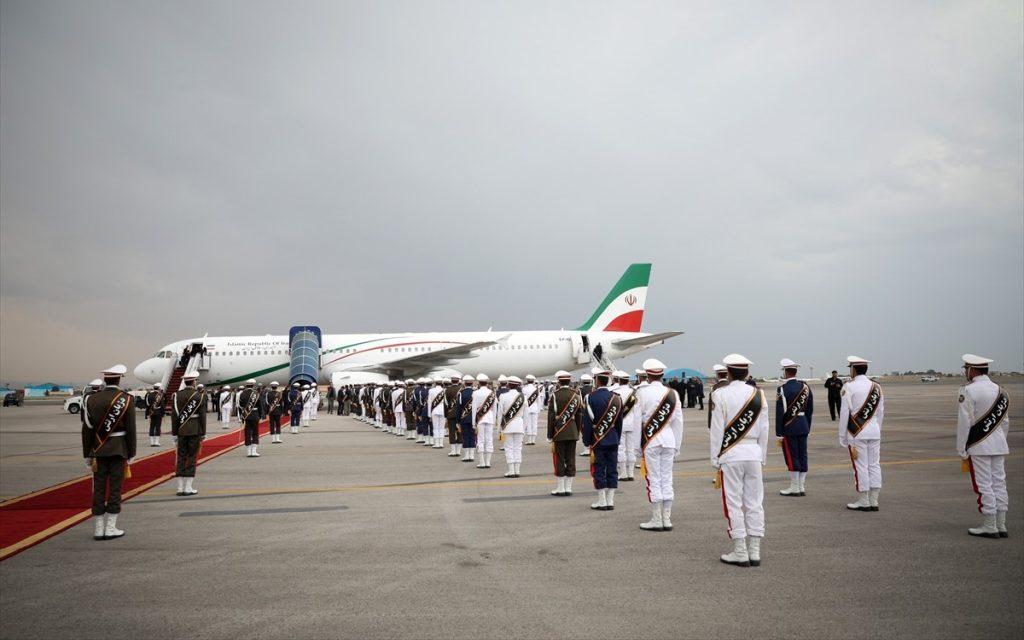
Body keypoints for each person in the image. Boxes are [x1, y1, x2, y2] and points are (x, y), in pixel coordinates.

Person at [711, 354, 769, 567]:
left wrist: (715, 458)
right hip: (753, 452)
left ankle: (740, 551)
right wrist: (761, 454)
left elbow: (717, 430)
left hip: (731, 453)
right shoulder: (759, 394)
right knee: (755, 502)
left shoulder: (720, 395)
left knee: (733, 503)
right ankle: (755, 550)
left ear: (728, 372)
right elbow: (765, 428)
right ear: (746, 372)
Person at [957, 354, 1011, 538]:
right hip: (999, 444)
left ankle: (990, 525)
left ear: (972, 370)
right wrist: (999, 440)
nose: (965, 372)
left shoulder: (968, 390)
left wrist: (961, 449)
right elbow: (1004, 422)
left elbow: (964, 423)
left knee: (984, 485)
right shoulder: (1001, 390)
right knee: (999, 483)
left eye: (966, 369)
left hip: (979, 445)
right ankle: (1001, 525)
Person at [82, 364, 136, 540]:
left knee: (98, 488)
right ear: (119, 379)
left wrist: (87, 454)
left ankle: (98, 528)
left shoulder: (91, 400)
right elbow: (131, 429)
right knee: (115, 488)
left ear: (105, 379)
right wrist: (132, 452)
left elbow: (87, 430)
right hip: (119, 449)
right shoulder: (126, 399)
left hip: (98, 449)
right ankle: (110, 527)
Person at [637, 359, 683, 532]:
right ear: (662, 375)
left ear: (647, 375)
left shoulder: (642, 393)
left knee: (654, 479)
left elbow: (636, 422)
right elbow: (678, 422)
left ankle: (657, 519)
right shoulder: (673, 394)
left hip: (651, 440)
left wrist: (637, 447)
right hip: (669, 440)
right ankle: (667, 519)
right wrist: (677, 444)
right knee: (667, 478)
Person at [839, 356, 884, 512]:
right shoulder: (876, 387)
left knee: (861, 466)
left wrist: (842, 436)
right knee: (874, 465)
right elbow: (880, 413)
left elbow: (844, 413)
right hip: (874, 432)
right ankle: (874, 500)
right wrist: (877, 428)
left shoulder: (849, 387)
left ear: (853, 369)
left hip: (857, 433)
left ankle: (864, 500)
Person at [582, 369, 623, 511]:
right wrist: (617, 436)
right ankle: (610, 500)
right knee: (612, 468)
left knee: (599, 469)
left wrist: (587, 441)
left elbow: (587, 422)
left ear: (597, 380)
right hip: (613, 438)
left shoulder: (590, 398)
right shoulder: (616, 398)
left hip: (597, 438)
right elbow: (619, 423)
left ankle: (602, 501)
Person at [775, 359, 813, 496]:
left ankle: (794, 486)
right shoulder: (806, 387)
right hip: (803, 425)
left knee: (792, 456)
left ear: (785, 372)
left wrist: (779, 432)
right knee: (803, 455)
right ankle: (801, 486)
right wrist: (808, 427)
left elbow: (780, 413)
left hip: (789, 427)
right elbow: (809, 410)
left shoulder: (782, 389)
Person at [548, 371, 582, 496]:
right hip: (572, 431)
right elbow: (579, 415)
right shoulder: (576, 395)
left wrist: (550, 434)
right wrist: (577, 431)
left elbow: (551, 416)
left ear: (558, 381)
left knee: (560, 459)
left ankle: (561, 488)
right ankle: (569, 488)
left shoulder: (555, 395)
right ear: (569, 381)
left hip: (559, 431)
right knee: (571, 458)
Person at [171, 372, 206, 497]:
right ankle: (188, 487)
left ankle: (180, 488)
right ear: (194, 382)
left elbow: (174, 417)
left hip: (181, 430)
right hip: (195, 430)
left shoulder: (176, 396)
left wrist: (174, 433)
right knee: (191, 457)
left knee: (181, 457)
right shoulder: (199, 396)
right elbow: (202, 417)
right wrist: (203, 432)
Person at [613, 370, 640, 481]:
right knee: (631, 449)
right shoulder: (635, 392)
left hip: (620, 424)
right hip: (632, 424)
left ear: (619, 380)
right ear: (628, 380)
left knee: (621, 449)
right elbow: (638, 411)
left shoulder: (615, 392)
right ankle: (631, 473)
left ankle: (623, 474)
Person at [498, 376, 526, 477]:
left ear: (509, 385)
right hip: (519, 425)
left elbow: (500, 414)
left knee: (509, 448)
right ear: (518, 385)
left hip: (507, 425)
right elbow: (525, 415)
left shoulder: (503, 396)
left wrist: (499, 428)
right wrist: (524, 427)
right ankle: (517, 470)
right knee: (518, 448)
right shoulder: (523, 396)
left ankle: (511, 470)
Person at [472, 373, 497, 469]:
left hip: (480, 419)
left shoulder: (475, 393)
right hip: (490, 418)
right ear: (487, 383)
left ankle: (482, 462)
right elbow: (494, 408)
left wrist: (473, 422)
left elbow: (474, 409)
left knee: (480, 440)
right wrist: (494, 420)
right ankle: (488, 462)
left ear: (479, 383)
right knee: (489, 440)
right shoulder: (492, 393)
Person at [238, 379, 261, 457]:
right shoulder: (256, 393)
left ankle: (248, 451)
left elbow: (240, 406)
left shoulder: (242, 394)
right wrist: (260, 416)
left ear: (246, 385)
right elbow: (260, 406)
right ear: (253, 385)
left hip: (246, 415)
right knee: (255, 433)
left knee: (247, 433)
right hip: (255, 415)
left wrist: (242, 416)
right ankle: (254, 451)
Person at [457, 375, 476, 462]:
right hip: (473, 418)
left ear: (464, 383)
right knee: (472, 436)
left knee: (465, 436)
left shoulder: (461, 393)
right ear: (472, 383)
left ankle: (466, 455)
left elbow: (458, 408)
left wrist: (458, 420)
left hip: (464, 418)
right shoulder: (475, 392)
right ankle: (472, 455)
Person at [522, 374, 544, 446]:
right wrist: (539, 409)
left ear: (527, 381)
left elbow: (523, 400)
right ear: (533, 381)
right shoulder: (536, 389)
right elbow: (539, 401)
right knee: (534, 424)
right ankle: (533, 440)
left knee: (528, 424)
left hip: (527, 408)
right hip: (535, 408)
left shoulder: (524, 389)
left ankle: (529, 440)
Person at [444, 375, 462, 456]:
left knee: (451, 432)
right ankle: (458, 451)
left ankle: (453, 451)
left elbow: (446, 403)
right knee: (460, 431)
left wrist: (446, 414)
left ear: (451, 381)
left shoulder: (447, 389)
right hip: (461, 414)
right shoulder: (462, 389)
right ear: (458, 380)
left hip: (451, 414)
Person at [708, 364, 729, 429]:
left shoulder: (714, 388)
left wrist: (710, 424)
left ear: (717, 375)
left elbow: (711, 407)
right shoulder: (731, 385)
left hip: (719, 420)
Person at [578, 373, 594, 457]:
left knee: (585, 431)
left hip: (584, 413)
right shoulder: (594, 389)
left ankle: (586, 448)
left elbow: (580, 403)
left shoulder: (580, 390)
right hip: (594, 413)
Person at [429, 377, 446, 448]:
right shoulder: (444, 390)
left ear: (435, 383)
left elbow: (429, 402)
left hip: (434, 410)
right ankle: (441, 443)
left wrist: (429, 414)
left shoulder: (431, 390)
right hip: (443, 410)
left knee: (435, 427)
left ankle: (436, 443)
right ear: (442, 383)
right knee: (442, 427)